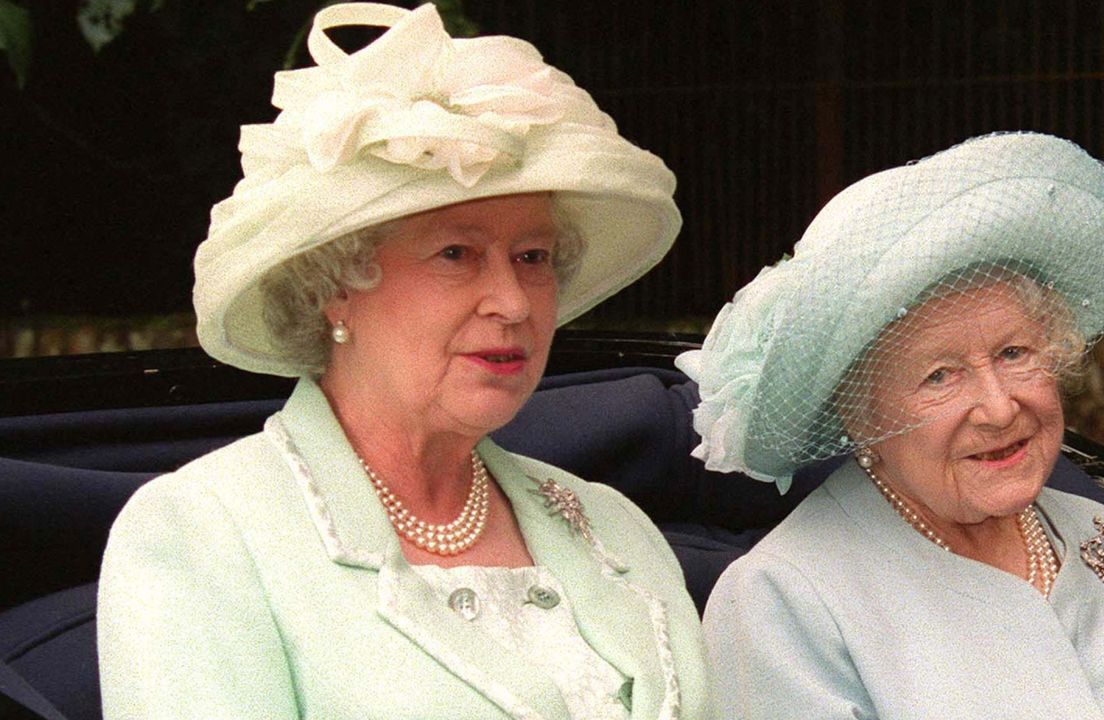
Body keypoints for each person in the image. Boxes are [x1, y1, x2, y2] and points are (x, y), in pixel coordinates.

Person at [97, 4, 709, 718]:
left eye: (532, 257)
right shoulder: (208, 534)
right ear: (333, 287)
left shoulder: (613, 527)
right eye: (457, 254)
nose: (512, 301)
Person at [678, 132, 1104, 719]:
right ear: (858, 414)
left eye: (1014, 353)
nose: (1000, 408)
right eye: (940, 376)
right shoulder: (785, 599)